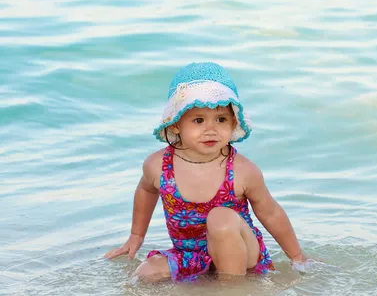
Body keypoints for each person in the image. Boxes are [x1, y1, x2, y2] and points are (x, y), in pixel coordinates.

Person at [105, 62, 307, 282]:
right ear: (175, 124)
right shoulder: (158, 166)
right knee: (144, 274)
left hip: (243, 255)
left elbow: (270, 213)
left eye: (221, 119)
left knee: (220, 218)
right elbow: (146, 191)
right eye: (198, 120)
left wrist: (297, 256)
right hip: (190, 256)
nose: (211, 129)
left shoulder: (242, 170)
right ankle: (203, 287)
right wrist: (136, 235)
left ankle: (231, 291)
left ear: (233, 122)